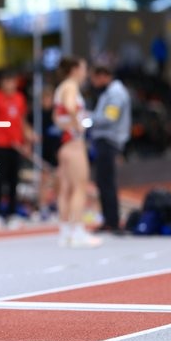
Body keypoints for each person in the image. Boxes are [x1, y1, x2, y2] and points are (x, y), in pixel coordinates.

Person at [53, 56, 101, 248]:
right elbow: (71, 107)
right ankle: (77, 231)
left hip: (64, 144)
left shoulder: (60, 88)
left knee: (66, 189)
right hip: (74, 144)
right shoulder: (71, 87)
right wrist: (78, 124)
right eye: (83, 68)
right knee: (80, 188)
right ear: (74, 70)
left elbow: (56, 116)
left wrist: (67, 123)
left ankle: (65, 232)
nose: (85, 72)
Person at [0, 69, 33, 223]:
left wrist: (28, 140)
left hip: (16, 146)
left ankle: (12, 213)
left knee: (14, 180)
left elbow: (22, 121)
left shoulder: (20, 98)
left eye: (12, 81)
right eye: (7, 81)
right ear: (2, 83)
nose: (10, 84)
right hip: (0, 145)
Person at [90, 65, 131, 233]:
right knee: (103, 182)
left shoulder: (115, 93)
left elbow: (109, 117)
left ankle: (112, 221)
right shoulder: (108, 93)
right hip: (105, 140)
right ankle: (108, 219)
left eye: (95, 78)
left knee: (107, 182)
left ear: (104, 76)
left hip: (109, 140)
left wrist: (88, 119)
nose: (93, 83)